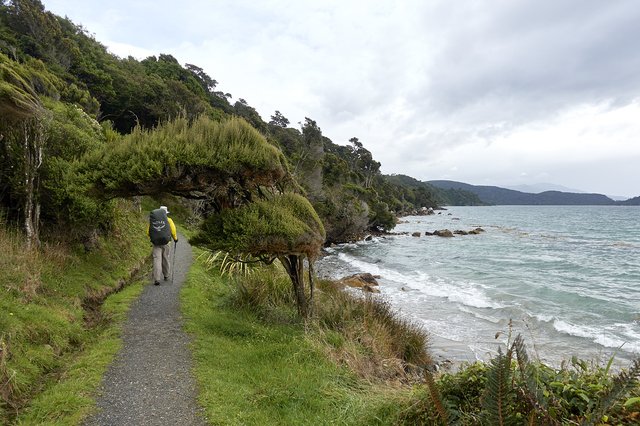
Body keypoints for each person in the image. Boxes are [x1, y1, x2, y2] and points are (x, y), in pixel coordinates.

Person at [147, 205, 178, 285]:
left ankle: (157, 279)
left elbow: (148, 232)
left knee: (157, 259)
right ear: (166, 213)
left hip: (156, 243)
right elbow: (173, 230)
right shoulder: (169, 220)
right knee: (165, 258)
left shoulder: (154, 220)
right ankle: (166, 275)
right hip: (166, 243)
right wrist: (175, 238)